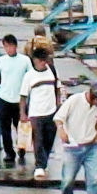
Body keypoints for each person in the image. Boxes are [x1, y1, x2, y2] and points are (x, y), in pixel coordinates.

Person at [0, 34, 32, 163]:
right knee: (5, 129)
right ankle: (9, 153)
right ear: (4, 47)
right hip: (4, 99)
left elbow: (31, 78)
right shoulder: (1, 61)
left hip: (19, 100)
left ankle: (21, 149)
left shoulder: (25, 60)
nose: (10, 49)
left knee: (20, 128)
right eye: (7, 46)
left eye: (12, 46)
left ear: (16, 46)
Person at [19, 47, 60, 179]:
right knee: (38, 139)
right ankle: (39, 166)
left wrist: (58, 105)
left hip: (51, 111)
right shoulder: (29, 76)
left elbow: (58, 88)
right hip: (36, 113)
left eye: (45, 60)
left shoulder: (52, 71)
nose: (44, 63)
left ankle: (44, 160)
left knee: (49, 138)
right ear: (35, 61)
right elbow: (23, 96)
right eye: (41, 60)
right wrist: (22, 114)